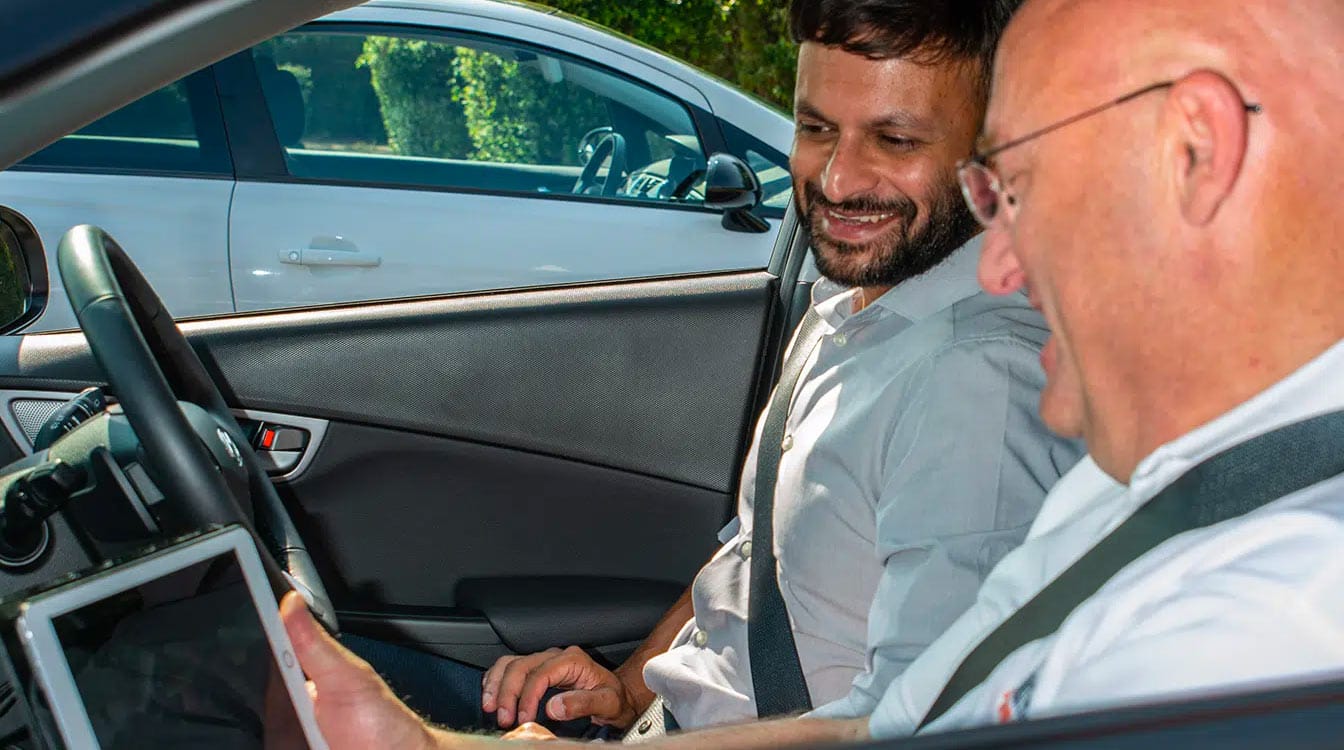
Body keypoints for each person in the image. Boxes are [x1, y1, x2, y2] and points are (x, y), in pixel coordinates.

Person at [281, 0, 1344, 747]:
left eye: (1019, 182)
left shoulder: (1247, 618)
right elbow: (799, 612)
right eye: (816, 126)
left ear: (1197, 154)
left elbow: (884, 728)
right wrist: (621, 691)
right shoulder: (1119, 479)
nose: (1003, 263)